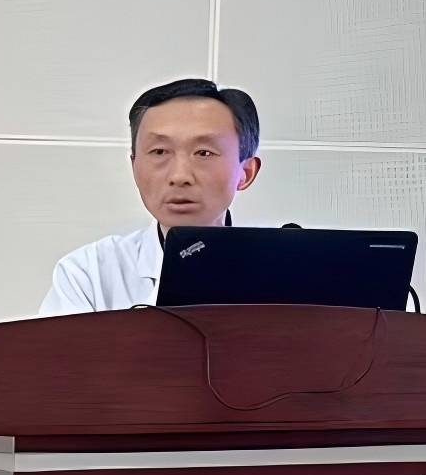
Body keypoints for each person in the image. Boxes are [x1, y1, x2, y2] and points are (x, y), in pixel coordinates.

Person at [41, 78, 264, 314]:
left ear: (246, 173)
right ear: (134, 167)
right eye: (159, 151)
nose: (179, 176)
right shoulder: (87, 275)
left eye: (204, 153)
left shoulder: (279, 270)